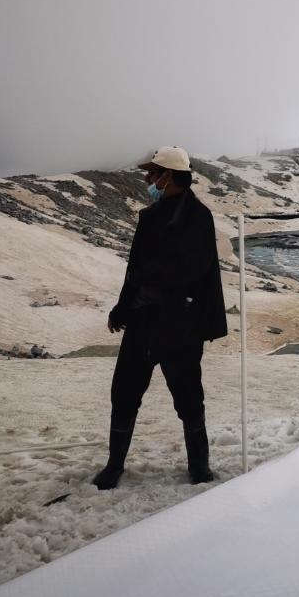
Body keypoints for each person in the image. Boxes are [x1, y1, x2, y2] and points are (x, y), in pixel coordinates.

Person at [92, 146, 227, 490]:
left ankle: (200, 466)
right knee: (124, 392)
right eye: (149, 174)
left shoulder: (198, 217)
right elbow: (135, 270)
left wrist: (154, 286)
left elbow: (194, 271)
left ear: (171, 176)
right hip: (142, 321)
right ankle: (114, 465)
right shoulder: (150, 216)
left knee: (187, 396)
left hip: (180, 325)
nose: (148, 179)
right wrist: (122, 308)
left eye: (153, 174)